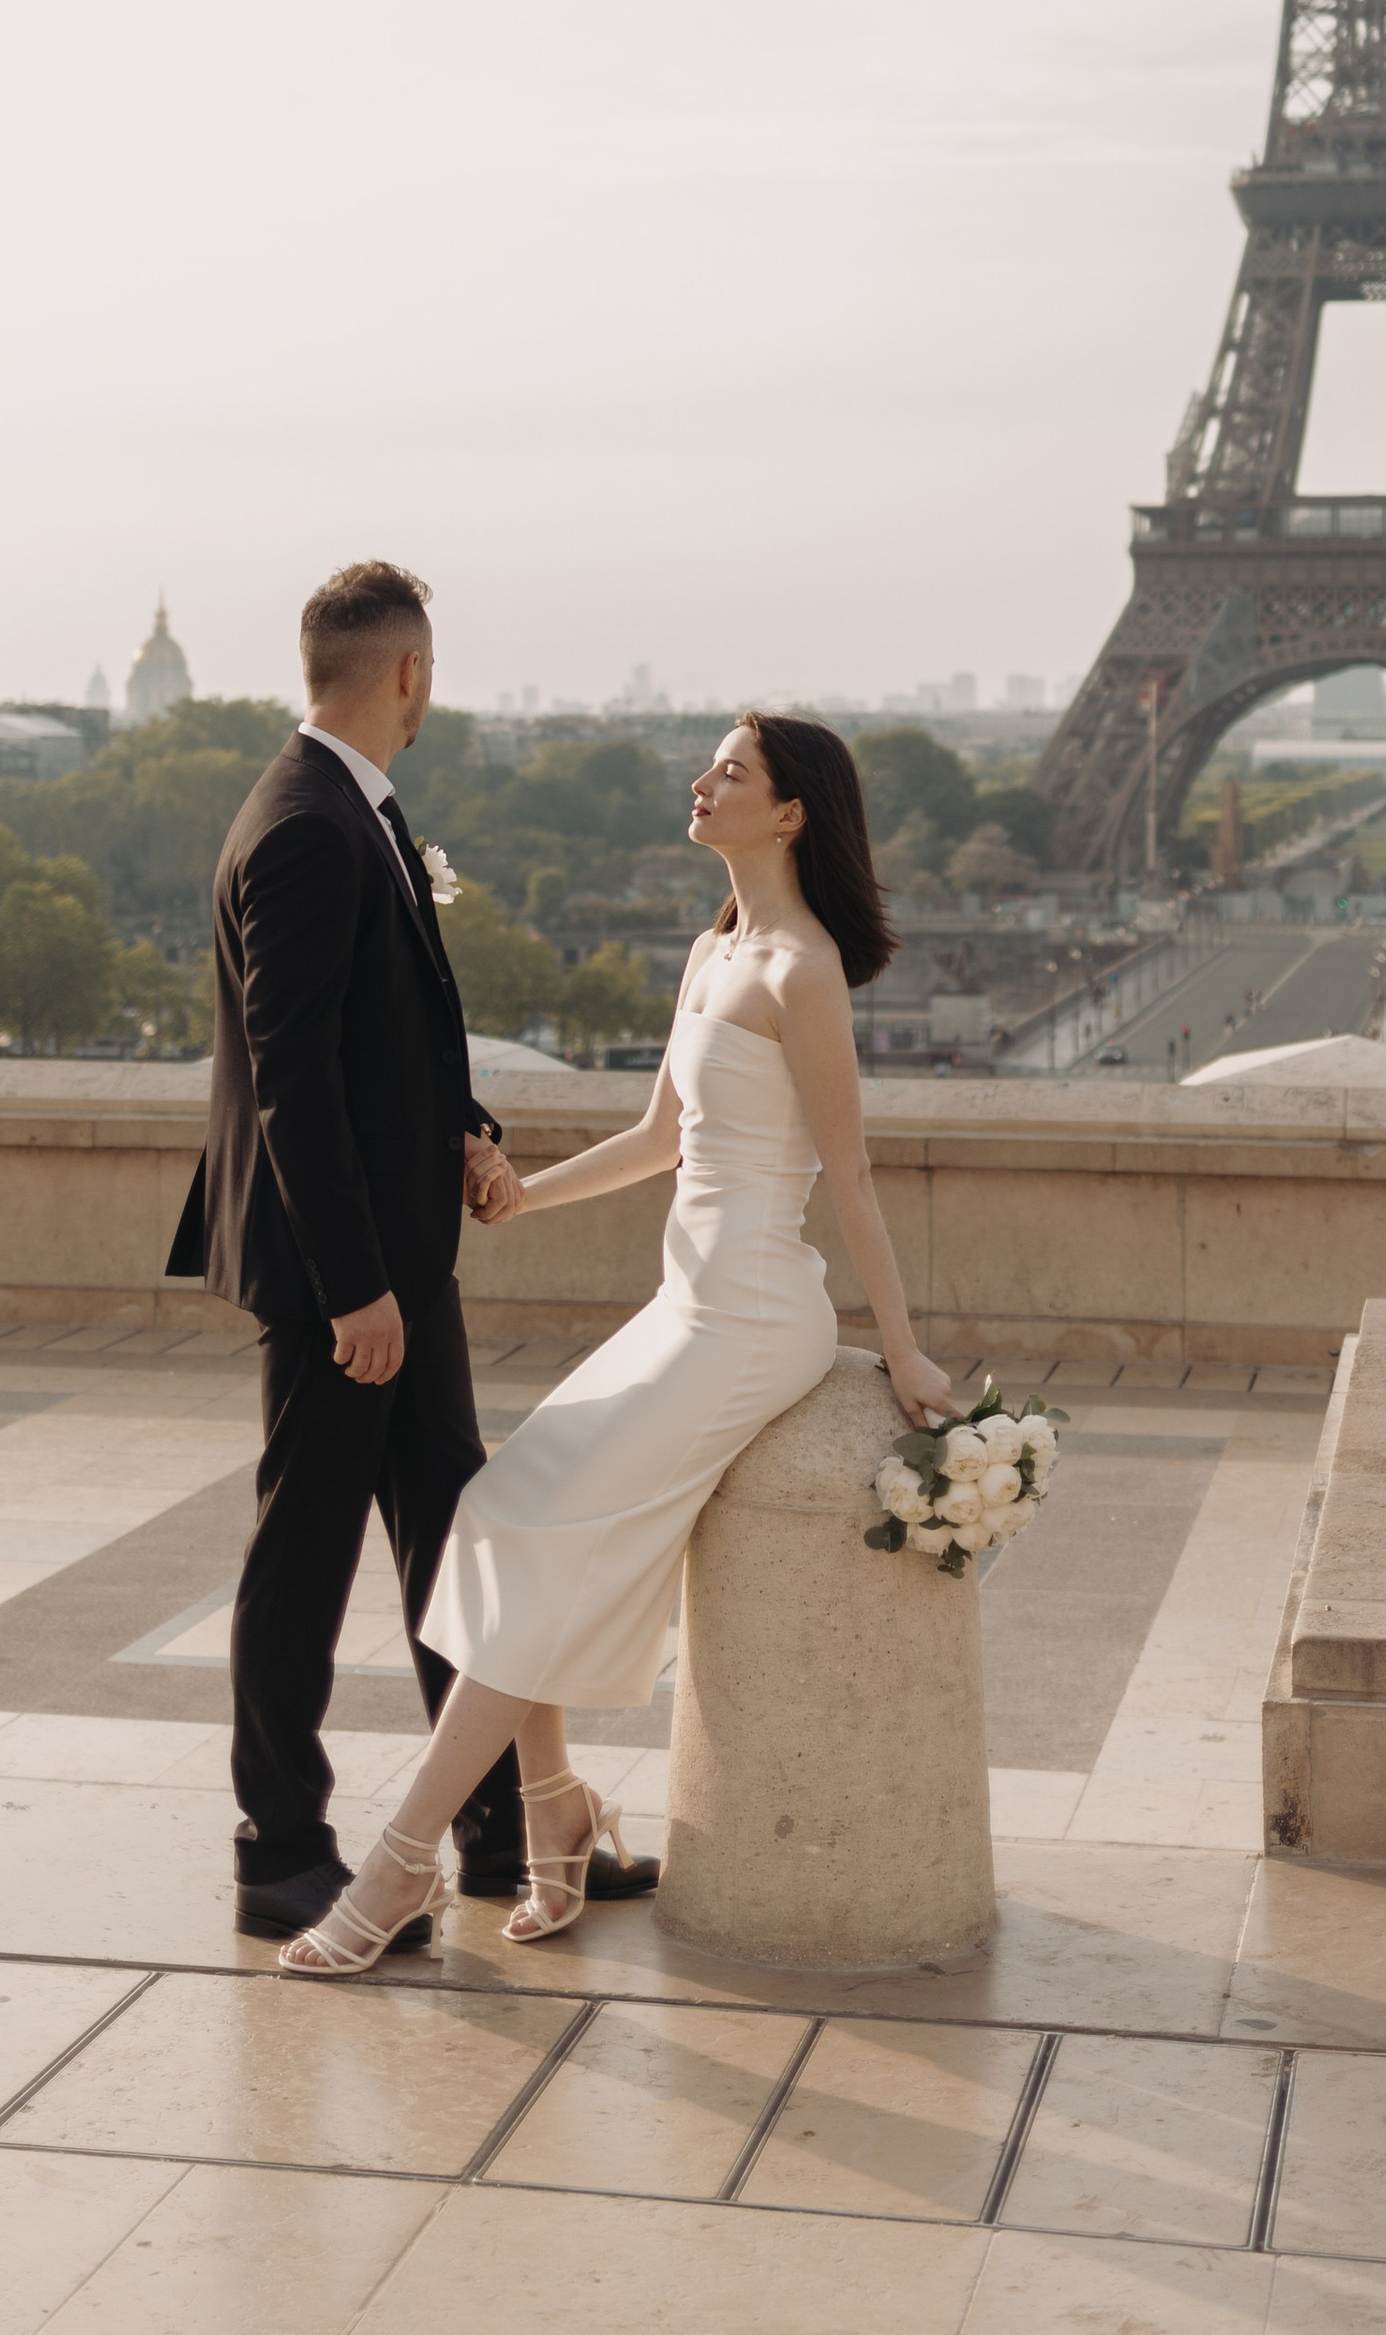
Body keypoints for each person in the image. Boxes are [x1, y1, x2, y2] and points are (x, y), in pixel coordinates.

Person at [281, 708, 955, 1974]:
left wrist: (905, 1353)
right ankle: (556, 1821)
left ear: (791, 811)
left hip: (755, 1321)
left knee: (535, 1550)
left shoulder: (801, 972)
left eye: (731, 772)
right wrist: (525, 1193)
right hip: (688, 1307)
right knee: (502, 1513)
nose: (701, 784)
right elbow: (661, 1141)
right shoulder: (715, 953)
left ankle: (397, 1867)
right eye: (707, 765)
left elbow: (852, 1182)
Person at [166, 562, 653, 1944]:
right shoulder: (314, 828)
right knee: (305, 1554)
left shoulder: (339, 809)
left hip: (396, 1253)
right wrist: (356, 1287)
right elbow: (294, 1074)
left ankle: (502, 1822)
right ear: (410, 676)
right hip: (356, 1276)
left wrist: (466, 1133)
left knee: (461, 1540)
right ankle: (282, 1850)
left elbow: (388, 1042)